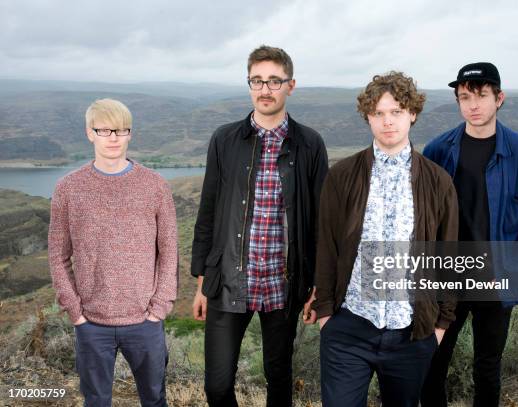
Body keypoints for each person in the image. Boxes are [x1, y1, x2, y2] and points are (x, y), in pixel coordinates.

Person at [420, 62, 518, 407]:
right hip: (447, 280)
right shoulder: (439, 150)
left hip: (496, 281)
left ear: (499, 98)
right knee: (431, 364)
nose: (473, 104)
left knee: (487, 370)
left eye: (482, 95)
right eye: (464, 97)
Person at [190, 45, 328, 407]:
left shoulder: (309, 144)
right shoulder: (224, 139)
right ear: (249, 84)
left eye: (274, 81)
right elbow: (208, 213)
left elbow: (320, 221)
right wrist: (202, 281)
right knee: (217, 386)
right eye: (257, 81)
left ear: (290, 86)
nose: (265, 89)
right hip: (229, 279)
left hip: (284, 285)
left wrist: (317, 284)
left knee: (278, 379)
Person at [309, 72, 458, 407]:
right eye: (378, 113)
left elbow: (448, 256)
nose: (387, 121)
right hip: (349, 327)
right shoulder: (343, 175)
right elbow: (327, 247)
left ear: (413, 113)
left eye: (396, 111)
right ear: (368, 117)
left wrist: (440, 325)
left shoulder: (437, 181)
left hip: (411, 332)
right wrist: (326, 315)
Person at [48, 98, 178, 407]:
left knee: (155, 399)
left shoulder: (155, 186)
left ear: (130, 134)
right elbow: (57, 255)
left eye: (121, 130)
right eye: (104, 130)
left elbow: (169, 250)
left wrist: (158, 308)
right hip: (91, 324)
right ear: (89, 133)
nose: (114, 138)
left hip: (145, 322)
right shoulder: (68, 188)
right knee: (96, 401)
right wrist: (75, 312)